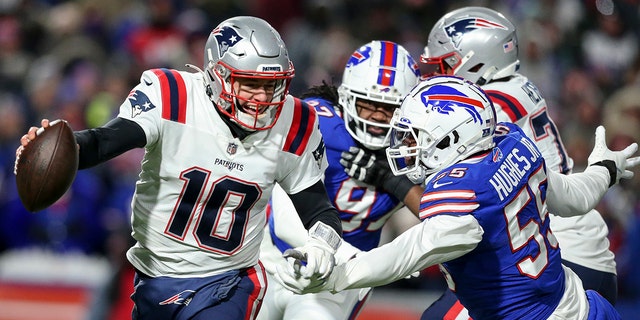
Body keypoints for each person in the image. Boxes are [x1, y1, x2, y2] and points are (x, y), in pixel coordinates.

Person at [15, 16, 343, 320]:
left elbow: (319, 210)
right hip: (155, 277)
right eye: (250, 84)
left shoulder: (295, 122)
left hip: (228, 282)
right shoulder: (174, 96)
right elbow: (105, 141)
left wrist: (321, 245)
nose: (263, 97)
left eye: (271, 85)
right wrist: (62, 146)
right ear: (218, 74)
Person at [276, 75, 639, 319]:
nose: (404, 145)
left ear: (452, 139)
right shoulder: (513, 144)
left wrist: (332, 276)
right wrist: (605, 170)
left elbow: (403, 257)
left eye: (415, 136)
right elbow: (574, 197)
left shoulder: (464, 196)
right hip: (582, 305)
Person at [418, 6, 622, 318]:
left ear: (477, 60)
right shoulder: (510, 88)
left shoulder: (487, 105)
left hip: (553, 255)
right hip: (568, 248)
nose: (433, 77)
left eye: (444, 66)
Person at [256, 40, 421, 320]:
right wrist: (366, 262)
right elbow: (286, 222)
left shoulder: (416, 144)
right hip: (272, 258)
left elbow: (443, 215)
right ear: (347, 97)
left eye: (390, 108)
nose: (378, 117)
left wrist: (395, 182)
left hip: (339, 282)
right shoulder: (317, 122)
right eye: (369, 103)